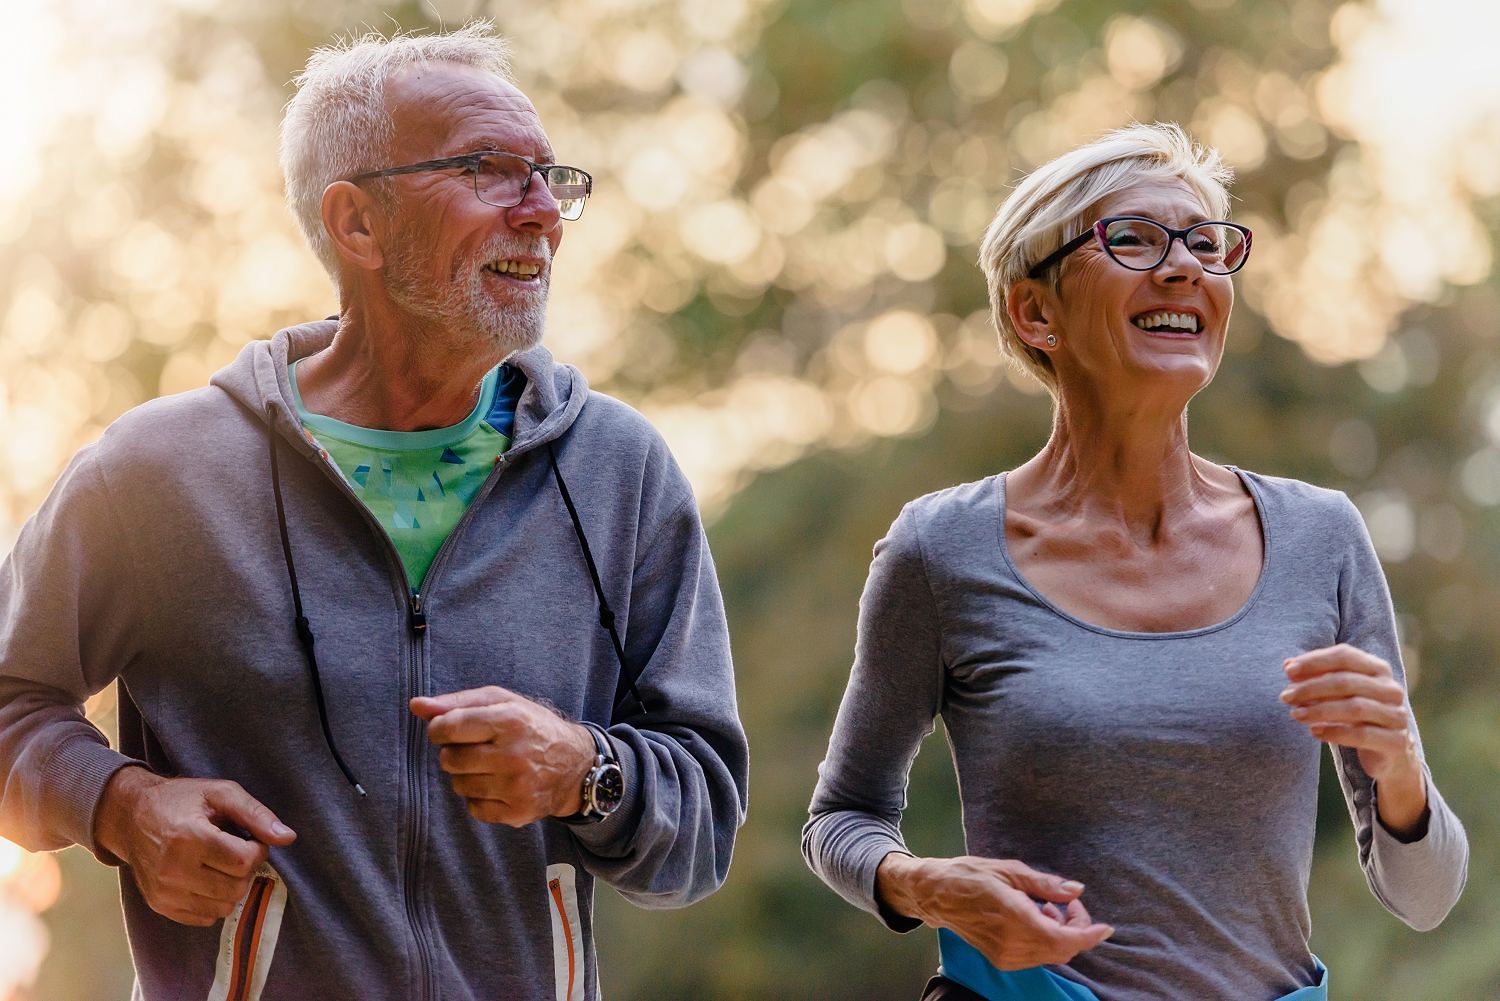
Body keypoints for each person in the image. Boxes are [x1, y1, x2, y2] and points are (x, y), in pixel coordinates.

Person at [0, 24, 748, 1001]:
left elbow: (705, 821)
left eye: (548, 176)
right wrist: (121, 805)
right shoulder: (156, 473)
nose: (542, 214)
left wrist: (584, 772)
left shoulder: (620, 473)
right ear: (357, 224)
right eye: (491, 170)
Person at [802, 123, 1467, 1001]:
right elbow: (841, 818)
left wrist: (1402, 773)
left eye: (1205, 243)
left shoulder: (1322, 538)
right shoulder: (941, 549)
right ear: (1034, 311)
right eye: (1135, 239)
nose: (1184, 265)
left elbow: (1424, 896)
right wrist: (925, 884)